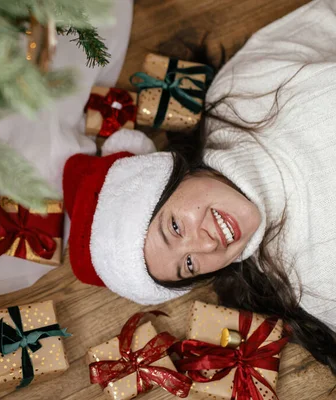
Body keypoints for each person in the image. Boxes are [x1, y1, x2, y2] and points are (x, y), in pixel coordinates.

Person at [63, 0, 336, 375]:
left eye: (175, 227)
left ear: (175, 176)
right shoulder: (313, 288)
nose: (208, 244)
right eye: (189, 265)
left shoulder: (242, 91)